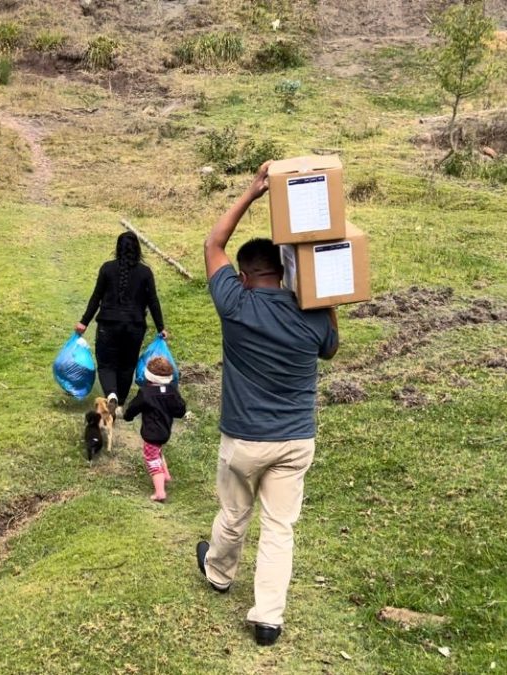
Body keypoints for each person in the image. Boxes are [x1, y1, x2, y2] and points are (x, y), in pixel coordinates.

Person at [195, 161, 339, 647]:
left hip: (244, 440)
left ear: (243, 273)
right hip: (296, 441)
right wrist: (322, 290)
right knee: (280, 528)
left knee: (234, 513)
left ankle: (218, 574)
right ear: (283, 271)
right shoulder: (310, 315)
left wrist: (252, 192)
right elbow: (331, 346)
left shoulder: (234, 305)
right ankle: (268, 620)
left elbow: (212, 244)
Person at [76, 232, 167, 416]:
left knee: (106, 364)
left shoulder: (107, 269)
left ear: (117, 249)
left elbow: (96, 297)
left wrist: (84, 322)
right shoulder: (145, 272)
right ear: (138, 250)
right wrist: (161, 327)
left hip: (108, 326)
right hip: (134, 327)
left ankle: (111, 394)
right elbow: (153, 301)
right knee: (127, 365)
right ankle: (119, 404)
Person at [122, 356, 186, 503]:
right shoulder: (172, 391)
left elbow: (133, 407)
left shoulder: (146, 393)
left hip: (151, 433)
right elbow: (180, 410)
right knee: (158, 451)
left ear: (148, 375)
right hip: (165, 431)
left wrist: (127, 416)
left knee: (152, 460)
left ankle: (160, 492)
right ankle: (166, 475)